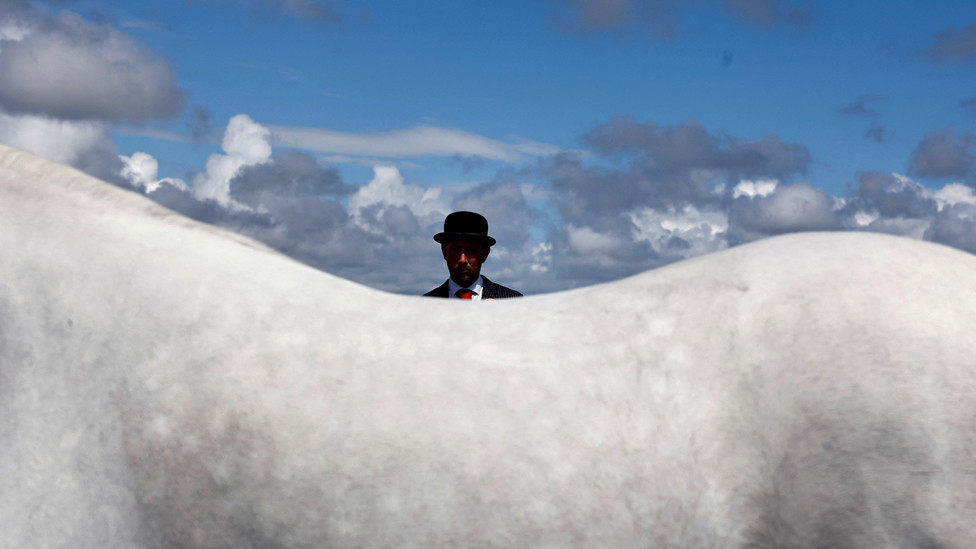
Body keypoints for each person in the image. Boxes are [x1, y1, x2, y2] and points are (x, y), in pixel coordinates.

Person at [423, 211, 523, 300]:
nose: (462, 260)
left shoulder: (512, 301)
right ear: (444, 251)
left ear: (485, 254)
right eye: (456, 249)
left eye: (470, 250)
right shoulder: (424, 305)